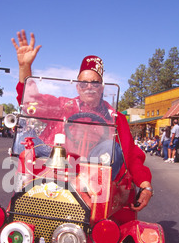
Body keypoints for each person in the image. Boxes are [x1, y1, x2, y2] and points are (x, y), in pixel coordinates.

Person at [11, 30, 154, 211]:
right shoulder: (63, 106)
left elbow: (131, 155)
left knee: (113, 149)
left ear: (102, 87)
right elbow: (31, 102)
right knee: (30, 142)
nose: (88, 88)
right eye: (83, 83)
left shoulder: (115, 118)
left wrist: (145, 184)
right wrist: (25, 66)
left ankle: (80, 199)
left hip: (93, 189)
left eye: (94, 83)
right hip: (54, 176)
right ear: (77, 87)